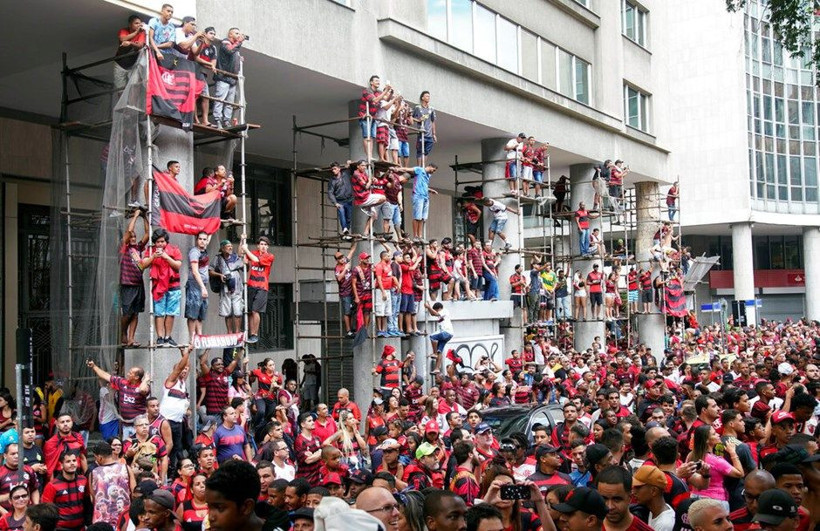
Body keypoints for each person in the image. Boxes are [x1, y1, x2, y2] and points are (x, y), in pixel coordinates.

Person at [139, 227, 183, 347]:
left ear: (166, 241)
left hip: (173, 284)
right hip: (158, 286)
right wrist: (153, 256)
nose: (160, 244)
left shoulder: (174, 249)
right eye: (158, 242)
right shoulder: (150, 250)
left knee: (171, 312)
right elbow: (143, 265)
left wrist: (166, 257)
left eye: (162, 241)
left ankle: (168, 337)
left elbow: (178, 266)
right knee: (159, 312)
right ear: (154, 242)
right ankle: (160, 337)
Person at [87, 360, 150, 439]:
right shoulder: (122, 382)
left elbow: (143, 390)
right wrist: (94, 366)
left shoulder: (143, 386)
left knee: (140, 445)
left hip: (139, 425)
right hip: (126, 425)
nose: (127, 374)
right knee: (127, 446)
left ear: (136, 377)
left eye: (130, 373)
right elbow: (105, 376)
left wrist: (145, 380)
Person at [119, 209, 148, 347]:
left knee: (136, 313)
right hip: (127, 283)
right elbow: (129, 232)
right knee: (127, 313)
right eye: (131, 237)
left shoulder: (139, 248)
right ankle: (123, 333)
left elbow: (148, 234)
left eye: (135, 237)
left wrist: (145, 218)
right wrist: (136, 216)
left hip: (138, 284)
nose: (133, 238)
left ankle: (131, 338)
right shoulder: (124, 248)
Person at [596, 465, 653, 531]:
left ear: (630, 497)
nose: (610, 507)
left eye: (616, 499)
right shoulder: (588, 527)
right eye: (604, 499)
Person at [89, 441, 132, 527]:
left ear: (100, 457)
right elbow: (134, 492)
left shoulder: (94, 473)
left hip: (101, 523)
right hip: (125, 519)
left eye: (95, 457)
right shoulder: (126, 468)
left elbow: (92, 498)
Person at [242, 235, 275, 344]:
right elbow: (241, 253)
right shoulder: (253, 253)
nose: (263, 246)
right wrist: (243, 240)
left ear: (268, 247)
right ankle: (250, 334)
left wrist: (246, 250)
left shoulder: (269, 256)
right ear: (258, 245)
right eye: (261, 244)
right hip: (251, 285)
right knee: (251, 311)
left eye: (265, 245)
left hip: (262, 287)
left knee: (256, 310)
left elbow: (256, 260)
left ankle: (255, 334)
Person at [41, 452, 87, 531]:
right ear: (61, 465)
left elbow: (87, 503)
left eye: (74, 460)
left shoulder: (83, 480)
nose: (72, 463)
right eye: (68, 461)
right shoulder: (52, 485)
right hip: (60, 528)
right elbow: (46, 511)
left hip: (81, 527)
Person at [395, 163, 439, 241]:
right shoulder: (420, 170)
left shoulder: (428, 176)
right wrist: (398, 169)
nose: (433, 172)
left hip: (425, 197)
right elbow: (407, 169)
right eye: (433, 170)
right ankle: (415, 235)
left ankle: (420, 235)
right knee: (417, 217)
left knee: (422, 218)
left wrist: (430, 190)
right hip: (418, 196)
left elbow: (424, 185)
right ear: (430, 167)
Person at [212, 28, 245, 129]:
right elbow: (229, 51)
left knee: (229, 102)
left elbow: (233, 54)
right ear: (230, 34)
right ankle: (218, 119)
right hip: (223, 77)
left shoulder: (236, 47)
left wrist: (239, 58)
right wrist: (239, 42)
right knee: (220, 99)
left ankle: (226, 120)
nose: (239, 35)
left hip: (232, 79)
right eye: (236, 33)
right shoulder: (225, 42)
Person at [212, 239, 244, 334]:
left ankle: (237, 331)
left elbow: (241, 257)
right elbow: (210, 271)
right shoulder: (218, 258)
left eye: (231, 246)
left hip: (237, 288)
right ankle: (229, 332)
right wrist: (220, 275)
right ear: (222, 248)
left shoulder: (235, 257)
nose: (230, 247)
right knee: (227, 311)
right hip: (225, 289)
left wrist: (242, 240)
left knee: (238, 311)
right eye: (228, 246)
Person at [631, 466, 674, 531]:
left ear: (654, 491)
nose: (633, 492)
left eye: (638, 487)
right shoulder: (654, 511)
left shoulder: (664, 524)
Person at [185, 232, 211, 340]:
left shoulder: (204, 249)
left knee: (201, 312)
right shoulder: (194, 252)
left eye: (204, 239)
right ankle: (192, 337)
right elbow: (195, 272)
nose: (202, 241)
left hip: (202, 284)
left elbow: (208, 238)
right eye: (200, 239)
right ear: (196, 239)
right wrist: (203, 287)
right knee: (193, 312)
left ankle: (199, 335)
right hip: (195, 284)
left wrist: (212, 226)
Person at [351, 160, 387, 236]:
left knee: (374, 215)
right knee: (383, 198)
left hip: (366, 196)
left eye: (365, 166)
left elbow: (368, 180)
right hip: (362, 198)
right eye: (362, 166)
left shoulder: (363, 173)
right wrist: (370, 181)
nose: (364, 167)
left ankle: (366, 232)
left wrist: (372, 179)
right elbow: (366, 186)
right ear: (358, 166)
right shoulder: (356, 174)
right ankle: (367, 206)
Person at [359, 76, 389, 161]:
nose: (378, 82)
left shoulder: (379, 92)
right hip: (365, 116)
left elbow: (386, 98)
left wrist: (390, 92)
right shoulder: (367, 91)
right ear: (371, 82)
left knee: (371, 137)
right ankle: (368, 155)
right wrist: (386, 91)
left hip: (373, 117)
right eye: (376, 81)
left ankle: (370, 155)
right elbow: (375, 100)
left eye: (379, 81)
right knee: (367, 136)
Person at [113, 15, 146, 90]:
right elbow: (122, 39)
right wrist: (136, 33)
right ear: (130, 24)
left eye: (139, 24)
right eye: (136, 23)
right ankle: (122, 102)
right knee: (120, 89)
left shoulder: (142, 33)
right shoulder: (124, 30)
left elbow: (140, 45)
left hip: (133, 65)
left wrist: (131, 43)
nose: (138, 25)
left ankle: (132, 102)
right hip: (120, 64)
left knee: (134, 87)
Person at [334, 244, 359, 338]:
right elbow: (339, 278)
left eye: (342, 257)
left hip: (352, 291)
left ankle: (353, 328)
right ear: (336, 260)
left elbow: (351, 251)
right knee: (347, 312)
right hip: (345, 293)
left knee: (353, 311)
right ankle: (348, 330)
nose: (342, 259)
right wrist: (345, 269)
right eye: (339, 258)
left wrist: (355, 241)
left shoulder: (346, 261)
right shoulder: (338, 268)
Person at [294, 413, 323, 487]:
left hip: (317, 478)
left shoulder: (317, 438)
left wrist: (315, 455)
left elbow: (321, 455)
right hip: (306, 479)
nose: (313, 422)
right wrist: (320, 452)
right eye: (309, 421)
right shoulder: (299, 441)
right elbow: (308, 460)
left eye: (313, 420)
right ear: (303, 424)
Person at [327, 161, 355, 238]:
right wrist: (335, 203)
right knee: (342, 213)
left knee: (349, 217)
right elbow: (330, 192)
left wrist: (349, 163)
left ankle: (346, 233)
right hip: (340, 201)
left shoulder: (345, 174)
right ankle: (344, 229)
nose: (333, 170)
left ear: (339, 169)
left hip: (349, 199)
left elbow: (353, 169)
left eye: (335, 169)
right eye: (332, 169)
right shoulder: (332, 181)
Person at [426, 302, 454, 372]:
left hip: (446, 332)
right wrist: (428, 308)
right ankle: (437, 368)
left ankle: (434, 353)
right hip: (448, 335)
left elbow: (435, 313)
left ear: (439, 308)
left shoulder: (444, 310)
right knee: (440, 351)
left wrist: (429, 307)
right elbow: (433, 313)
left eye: (436, 310)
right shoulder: (440, 313)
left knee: (432, 336)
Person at [412, 91, 437, 165]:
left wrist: (434, 134)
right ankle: (419, 167)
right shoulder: (417, 108)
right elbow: (411, 117)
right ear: (422, 98)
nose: (428, 98)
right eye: (426, 96)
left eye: (429, 96)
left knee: (426, 152)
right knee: (420, 151)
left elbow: (433, 121)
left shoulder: (431, 109)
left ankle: (423, 166)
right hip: (421, 133)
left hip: (429, 134)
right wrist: (418, 120)